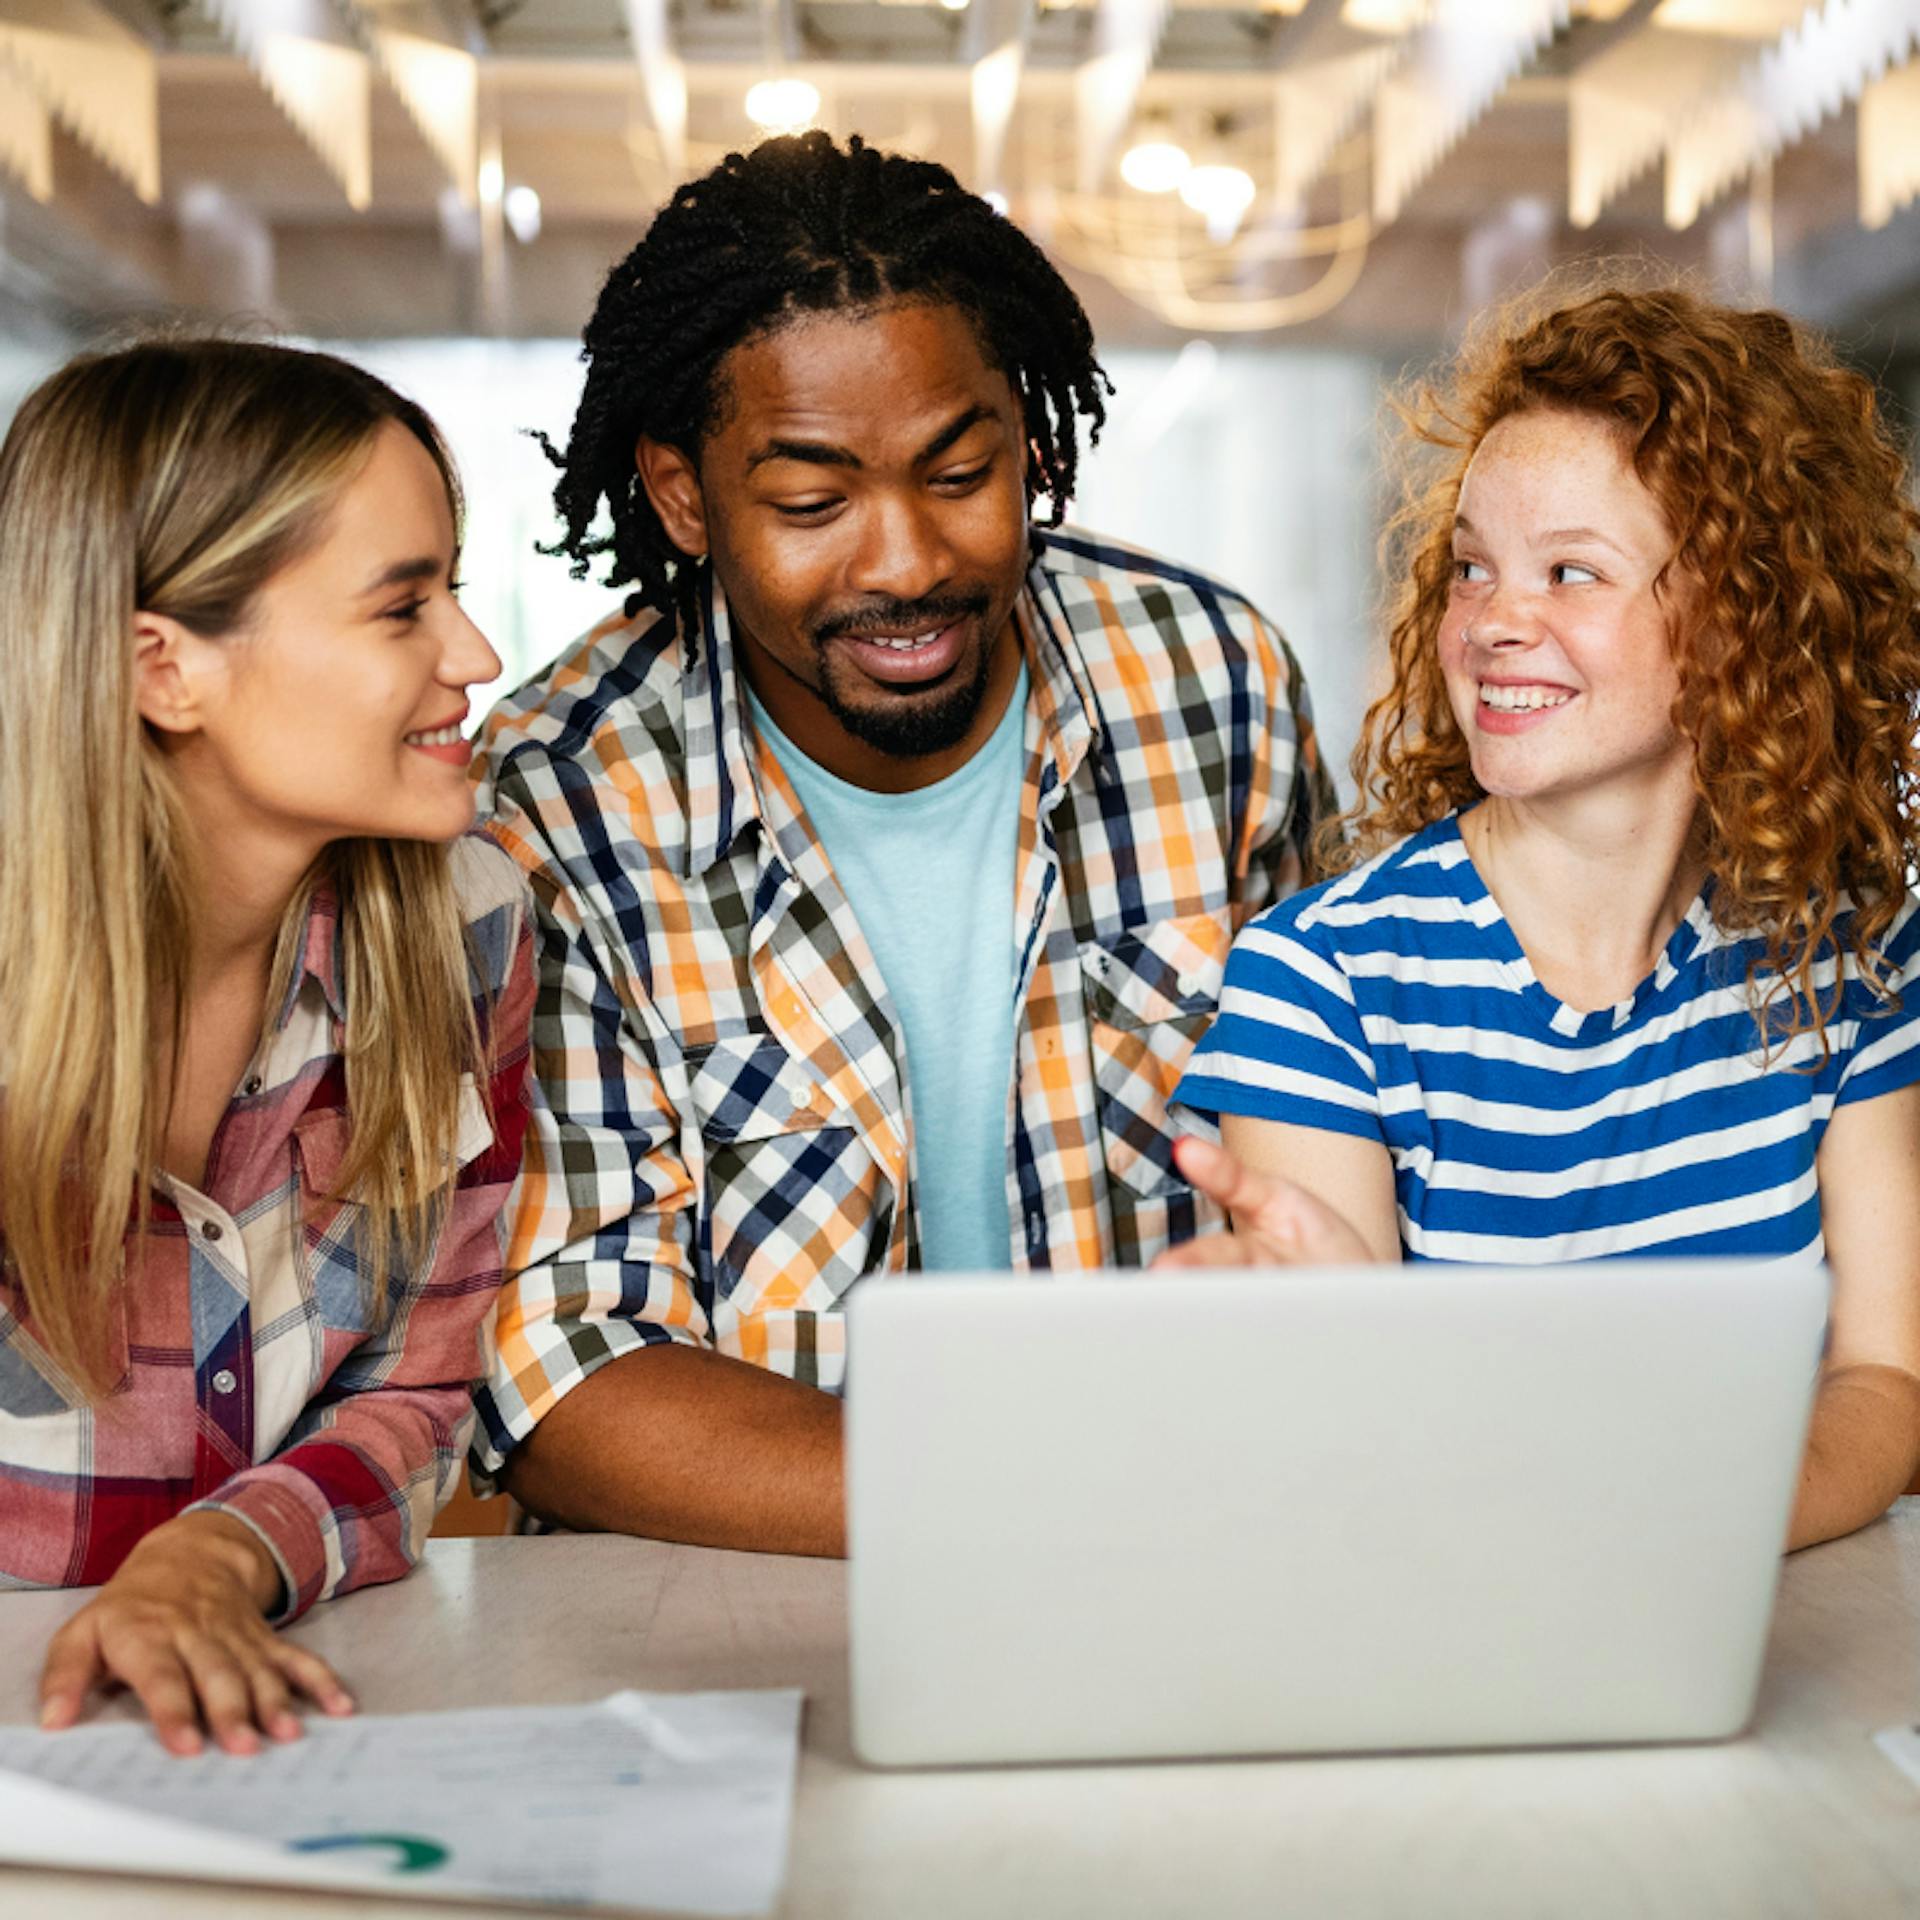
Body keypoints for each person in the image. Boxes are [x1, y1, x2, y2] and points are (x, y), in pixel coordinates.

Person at [474, 132, 1336, 1555]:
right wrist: (1039, 1509)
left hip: (1201, 1569)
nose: (907, 563)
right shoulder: (560, 806)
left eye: (961, 472)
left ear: (1030, 437)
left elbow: (1347, 1171)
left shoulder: (1210, 682)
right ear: (685, 498)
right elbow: (559, 1366)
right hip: (756, 1626)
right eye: (812, 501)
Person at [1168, 280, 1920, 1549]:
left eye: (1572, 570)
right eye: (1472, 569)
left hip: (1775, 1640)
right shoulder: (1321, 981)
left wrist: (1708, 1537)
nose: (1495, 623)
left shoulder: (1850, 958)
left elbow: (1883, 1379)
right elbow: (1347, 1462)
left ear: (1741, 616)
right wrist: (1353, 1352)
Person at [0, 339, 536, 1754]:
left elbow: (421, 1386)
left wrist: (223, 1556)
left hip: (281, 1717)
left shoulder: (464, 929)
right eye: (402, 607)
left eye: (457, 590)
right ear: (161, 668)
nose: (475, 659)